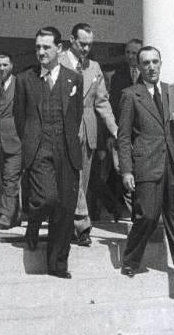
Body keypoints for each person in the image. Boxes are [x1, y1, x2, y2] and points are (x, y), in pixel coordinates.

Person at [117, 46, 174, 300]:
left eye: (155, 62)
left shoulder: (172, 90)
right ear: (139, 67)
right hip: (147, 165)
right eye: (145, 63)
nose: (151, 67)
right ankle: (131, 258)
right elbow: (123, 137)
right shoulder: (130, 95)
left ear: (161, 63)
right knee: (147, 215)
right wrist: (126, 170)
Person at [13, 26, 83, 278]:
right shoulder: (24, 79)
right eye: (37, 47)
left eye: (46, 47)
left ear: (59, 49)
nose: (40, 52)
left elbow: (76, 113)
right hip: (39, 148)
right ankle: (33, 223)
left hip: (66, 149)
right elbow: (19, 116)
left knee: (65, 209)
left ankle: (57, 265)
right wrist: (33, 140)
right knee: (47, 198)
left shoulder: (73, 78)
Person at [59, 23, 118, 246]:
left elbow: (102, 102)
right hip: (65, 128)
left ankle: (73, 227)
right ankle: (82, 226)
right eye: (82, 44)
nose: (86, 49)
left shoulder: (94, 67)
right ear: (71, 40)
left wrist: (115, 129)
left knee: (82, 184)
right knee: (74, 179)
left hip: (89, 130)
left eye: (89, 45)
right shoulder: (58, 61)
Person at [108, 38, 144, 219]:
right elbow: (113, 106)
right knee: (121, 171)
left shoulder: (148, 74)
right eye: (128, 52)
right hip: (123, 132)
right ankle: (125, 213)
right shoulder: (117, 77)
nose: (130, 56)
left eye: (134, 53)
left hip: (142, 133)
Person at [0, 52, 22, 229]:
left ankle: (5, 215)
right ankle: (14, 215)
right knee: (1, 179)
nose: (1, 68)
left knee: (11, 177)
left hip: (16, 140)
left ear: (11, 66)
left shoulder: (20, 84)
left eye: (5, 65)